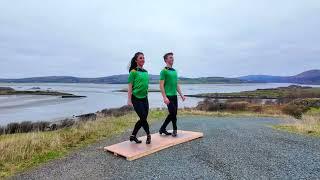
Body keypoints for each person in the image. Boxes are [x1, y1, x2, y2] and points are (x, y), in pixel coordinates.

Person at [159, 52, 186, 137]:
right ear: (166, 60)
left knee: (173, 114)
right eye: (170, 58)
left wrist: (181, 95)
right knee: (173, 113)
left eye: (172, 58)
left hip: (174, 96)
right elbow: (161, 85)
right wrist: (164, 97)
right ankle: (174, 129)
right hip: (168, 96)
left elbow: (176, 84)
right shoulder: (163, 71)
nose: (172, 59)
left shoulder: (174, 71)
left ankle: (163, 128)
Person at [127, 52, 151, 144]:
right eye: (140, 58)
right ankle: (148, 135)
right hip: (136, 98)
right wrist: (129, 100)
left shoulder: (146, 72)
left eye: (143, 58)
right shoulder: (133, 72)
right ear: (136, 60)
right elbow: (130, 87)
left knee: (143, 118)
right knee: (143, 118)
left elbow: (145, 84)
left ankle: (133, 136)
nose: (143, 60)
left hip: (145, 98)